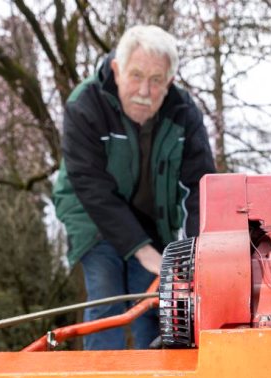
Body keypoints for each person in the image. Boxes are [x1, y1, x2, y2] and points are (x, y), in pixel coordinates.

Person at [52, 24, 216, 350]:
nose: (144, 90)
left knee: (159, 301)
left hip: (154, 221)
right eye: (136, 76)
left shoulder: (184, 114)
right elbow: (91, 187)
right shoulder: (84, 105)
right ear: (116, 69)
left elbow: (202, 188)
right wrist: (144, 252)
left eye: (156, 81)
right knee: (108, 295)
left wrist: (201, 256)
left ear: (169, 82)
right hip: (93, 218)